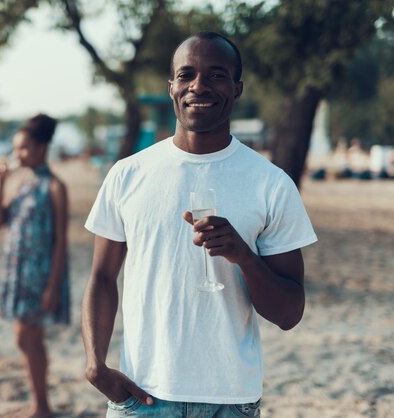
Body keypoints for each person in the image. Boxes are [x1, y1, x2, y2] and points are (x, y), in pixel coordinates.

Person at [82, 31, 318, 417]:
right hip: (142, 396)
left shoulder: (270, 184)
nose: (199, 86)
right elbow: (102, 278)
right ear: (172, 86)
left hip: (230, 400)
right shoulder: (128, 175)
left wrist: (243, 255)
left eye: (216, 75)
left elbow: (289, 313)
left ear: (237, 88)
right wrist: (95, 364)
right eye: (186, 74)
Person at [0, 113, 70, 418]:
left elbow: (61, 241)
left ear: (41, 147)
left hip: (40, 277)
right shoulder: (22, 184)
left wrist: (53, 285)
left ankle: (41, 406)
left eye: (22, 148)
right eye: (16, 148)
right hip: (18, 273)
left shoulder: (55, 187)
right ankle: (40, 403)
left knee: (27, 338)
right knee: (28, 339)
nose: (17, 154)